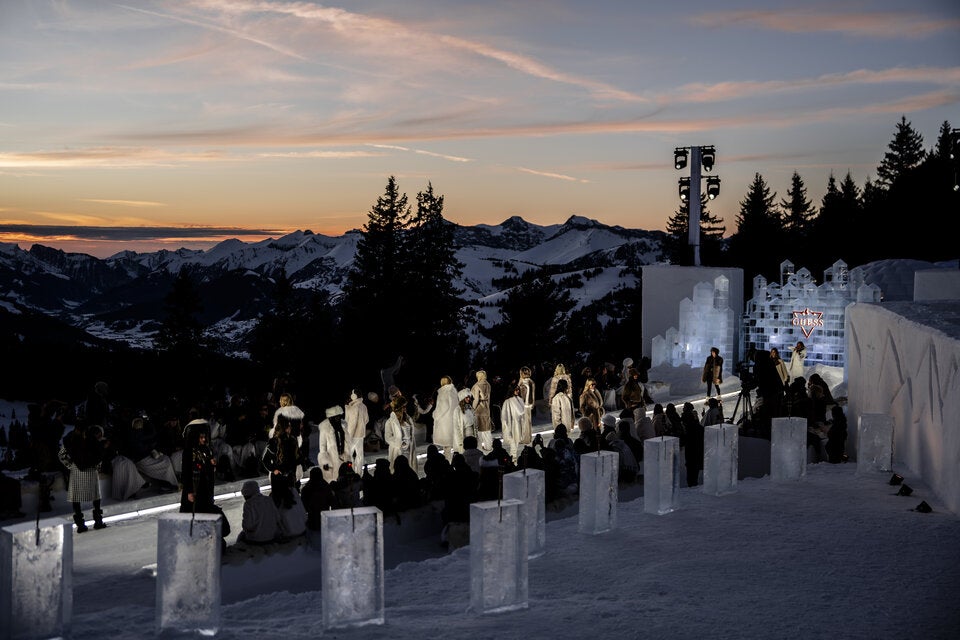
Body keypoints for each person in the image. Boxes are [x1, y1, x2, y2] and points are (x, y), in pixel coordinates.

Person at [58, 425, 106, 532]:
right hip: (91, 468)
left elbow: (62, 455)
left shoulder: (70, 439)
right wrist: (97, 466)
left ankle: (80, 524)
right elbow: (99, 454)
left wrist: (71, 466)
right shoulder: (91, 438)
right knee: (95, 496)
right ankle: (98, 521)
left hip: (76, 470)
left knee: (76, 498)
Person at [237, 480, 281, 545]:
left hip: (257, 540)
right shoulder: (268, 500)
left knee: (241, 536)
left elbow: (247, 526)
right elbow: (278, 518)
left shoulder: (248, 504)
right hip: (272, 536)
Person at [432, 376, 464, 462]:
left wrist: (435, 415)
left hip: (445, 421)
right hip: (453, 419)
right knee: (455, 443)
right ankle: (458, 461)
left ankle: (448, 463)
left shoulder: (443, 392)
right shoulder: (453, 391)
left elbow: (443, 407)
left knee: (447, 446)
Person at [385, 395, 418, 474]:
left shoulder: (408, 419)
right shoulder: (390, 422)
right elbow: (388, 437)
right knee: (400, 470)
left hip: (410, 448)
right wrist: (400, 443)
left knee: (410, 469)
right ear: (398, 408)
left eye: (405, 406)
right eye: (403, 407)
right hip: (399, 449)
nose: (405, 408)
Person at [316, 405, 347, 483]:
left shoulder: (343, 425)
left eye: (339, 416)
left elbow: (347, 441)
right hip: (332, 458)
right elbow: (322, 446)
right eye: (336, 417)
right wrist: (325, 461)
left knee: (344, 479)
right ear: (331, 417)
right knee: (334, 479)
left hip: (344, 457)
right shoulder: (325, 427)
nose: (339, 418)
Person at [300, 466, 337, 530]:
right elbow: (332, 502)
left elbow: (303, 506)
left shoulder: (306, 489)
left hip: (312, 522)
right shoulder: (326, 487)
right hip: (324, 520)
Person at [344, 388, 369, 474]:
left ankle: (351, 472)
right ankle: (359, 473)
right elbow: (366, 420)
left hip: (352, 434)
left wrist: (349, 435)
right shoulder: (363, 406)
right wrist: (361, 427)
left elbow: (352, 423)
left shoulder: (353, 407)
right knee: (359, 455)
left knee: (349, 454)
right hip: (360, 434)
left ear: (353, 396)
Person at [500, 385, 526, 463]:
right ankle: (513, 461)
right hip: (511, 425)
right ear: (512, 390)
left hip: (518, 424)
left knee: (516, 444)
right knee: (513, 444)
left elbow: (522, 413)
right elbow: (504, 416)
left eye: (518, 389)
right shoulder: (507, 402)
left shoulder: (520, 400)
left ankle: (514, 461)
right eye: (516, 389)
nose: (517, 391)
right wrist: (507, 426)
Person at [681, 402, 704, 487]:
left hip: (690, 453)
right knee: (694, 473)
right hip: (697, 453)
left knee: (690, 474)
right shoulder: (698, 428)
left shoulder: (687, 429)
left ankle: (692, 485)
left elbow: (683, 440)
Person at [471, 370, 493, 453]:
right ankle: (488, 447)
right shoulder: (488, 385)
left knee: (479, 430)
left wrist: (472, 409)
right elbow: (489, 398)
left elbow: (476, 399)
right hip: (486, 408)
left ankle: (479, 448)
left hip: (479, 409)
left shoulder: (477, 385)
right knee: (487, 430)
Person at [517, 367, 536, 446]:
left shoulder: (523, 382)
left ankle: (525, 439)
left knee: (524, 422)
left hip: (524, 404)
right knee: (528, 422)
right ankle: (528, 438)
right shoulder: (531, 381)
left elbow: (520, 394)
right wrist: (533, 403)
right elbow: (533, 394)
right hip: (528, 404)